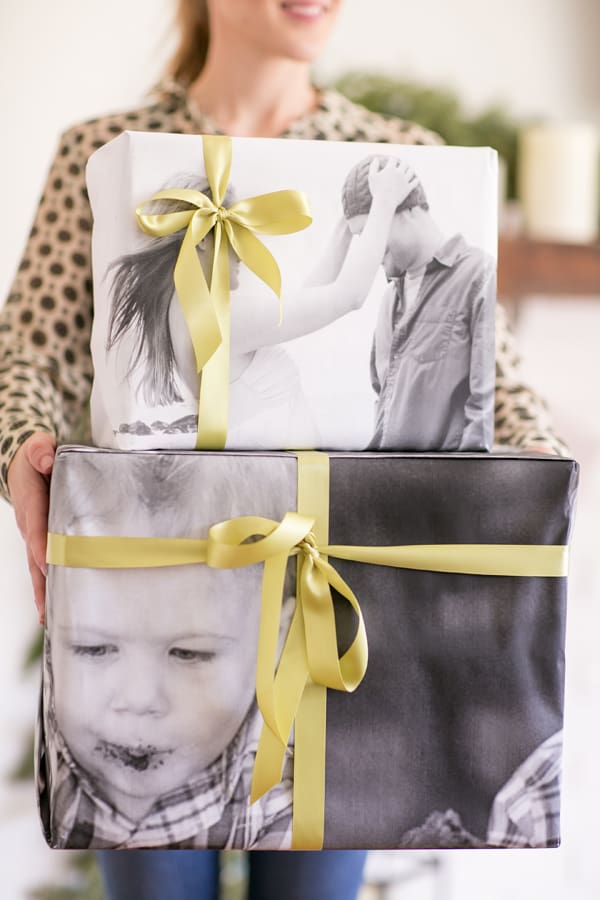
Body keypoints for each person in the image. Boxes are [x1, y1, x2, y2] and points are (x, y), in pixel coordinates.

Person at [0, 0, 568, 897]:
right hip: (161, 591)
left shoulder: (397, 150)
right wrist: (20, 446)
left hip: (328, 595)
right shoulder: (106, 150)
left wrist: (537, 460)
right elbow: (34, 347)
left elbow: (495, 377)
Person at [43, 452, 296, 850]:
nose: (140, 699)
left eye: (189, 653)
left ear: (277, 640)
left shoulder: (307, 782)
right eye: (93, 648)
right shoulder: (65, 793)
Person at [102, 160, 414, 449]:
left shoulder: (189, 311)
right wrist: (384, 203)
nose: (244, 253)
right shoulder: (222, 317)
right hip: (290, 489)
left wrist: (345, 230)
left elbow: (301, 303)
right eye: (236, 235)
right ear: (200, 240)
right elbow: (349, 296)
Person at [341, 153, 495, 450]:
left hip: (445, 490)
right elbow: (382, 401)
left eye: (372, 230)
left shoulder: (479, 275)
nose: (369, 248)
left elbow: (484, 408)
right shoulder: (389, 300)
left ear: (406, 210)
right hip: (386, 485)